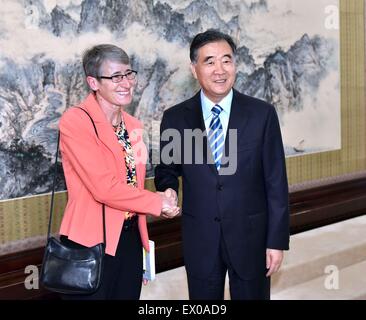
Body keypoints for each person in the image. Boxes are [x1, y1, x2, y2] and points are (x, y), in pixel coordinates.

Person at [154, 29, 290, 300]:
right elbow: (167, 169)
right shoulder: (176, 118)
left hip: (250, 238)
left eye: (226, 60)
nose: (220, 70)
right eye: (210, 61)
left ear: (235, 65)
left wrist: (276, 241)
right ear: (194, 69)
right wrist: (168, 189)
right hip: (200, 237)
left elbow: (276, 183)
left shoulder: (261, 114)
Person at [58, 44, 179, 300]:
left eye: (128, 74)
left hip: (130, 240)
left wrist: (162, 196)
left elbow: (131, 186)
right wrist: (157, 202)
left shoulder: (133, 125)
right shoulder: (76, 121)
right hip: (90, 244)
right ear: (93, 82)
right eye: (115, 77)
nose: (125, 83)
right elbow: (104, 188)